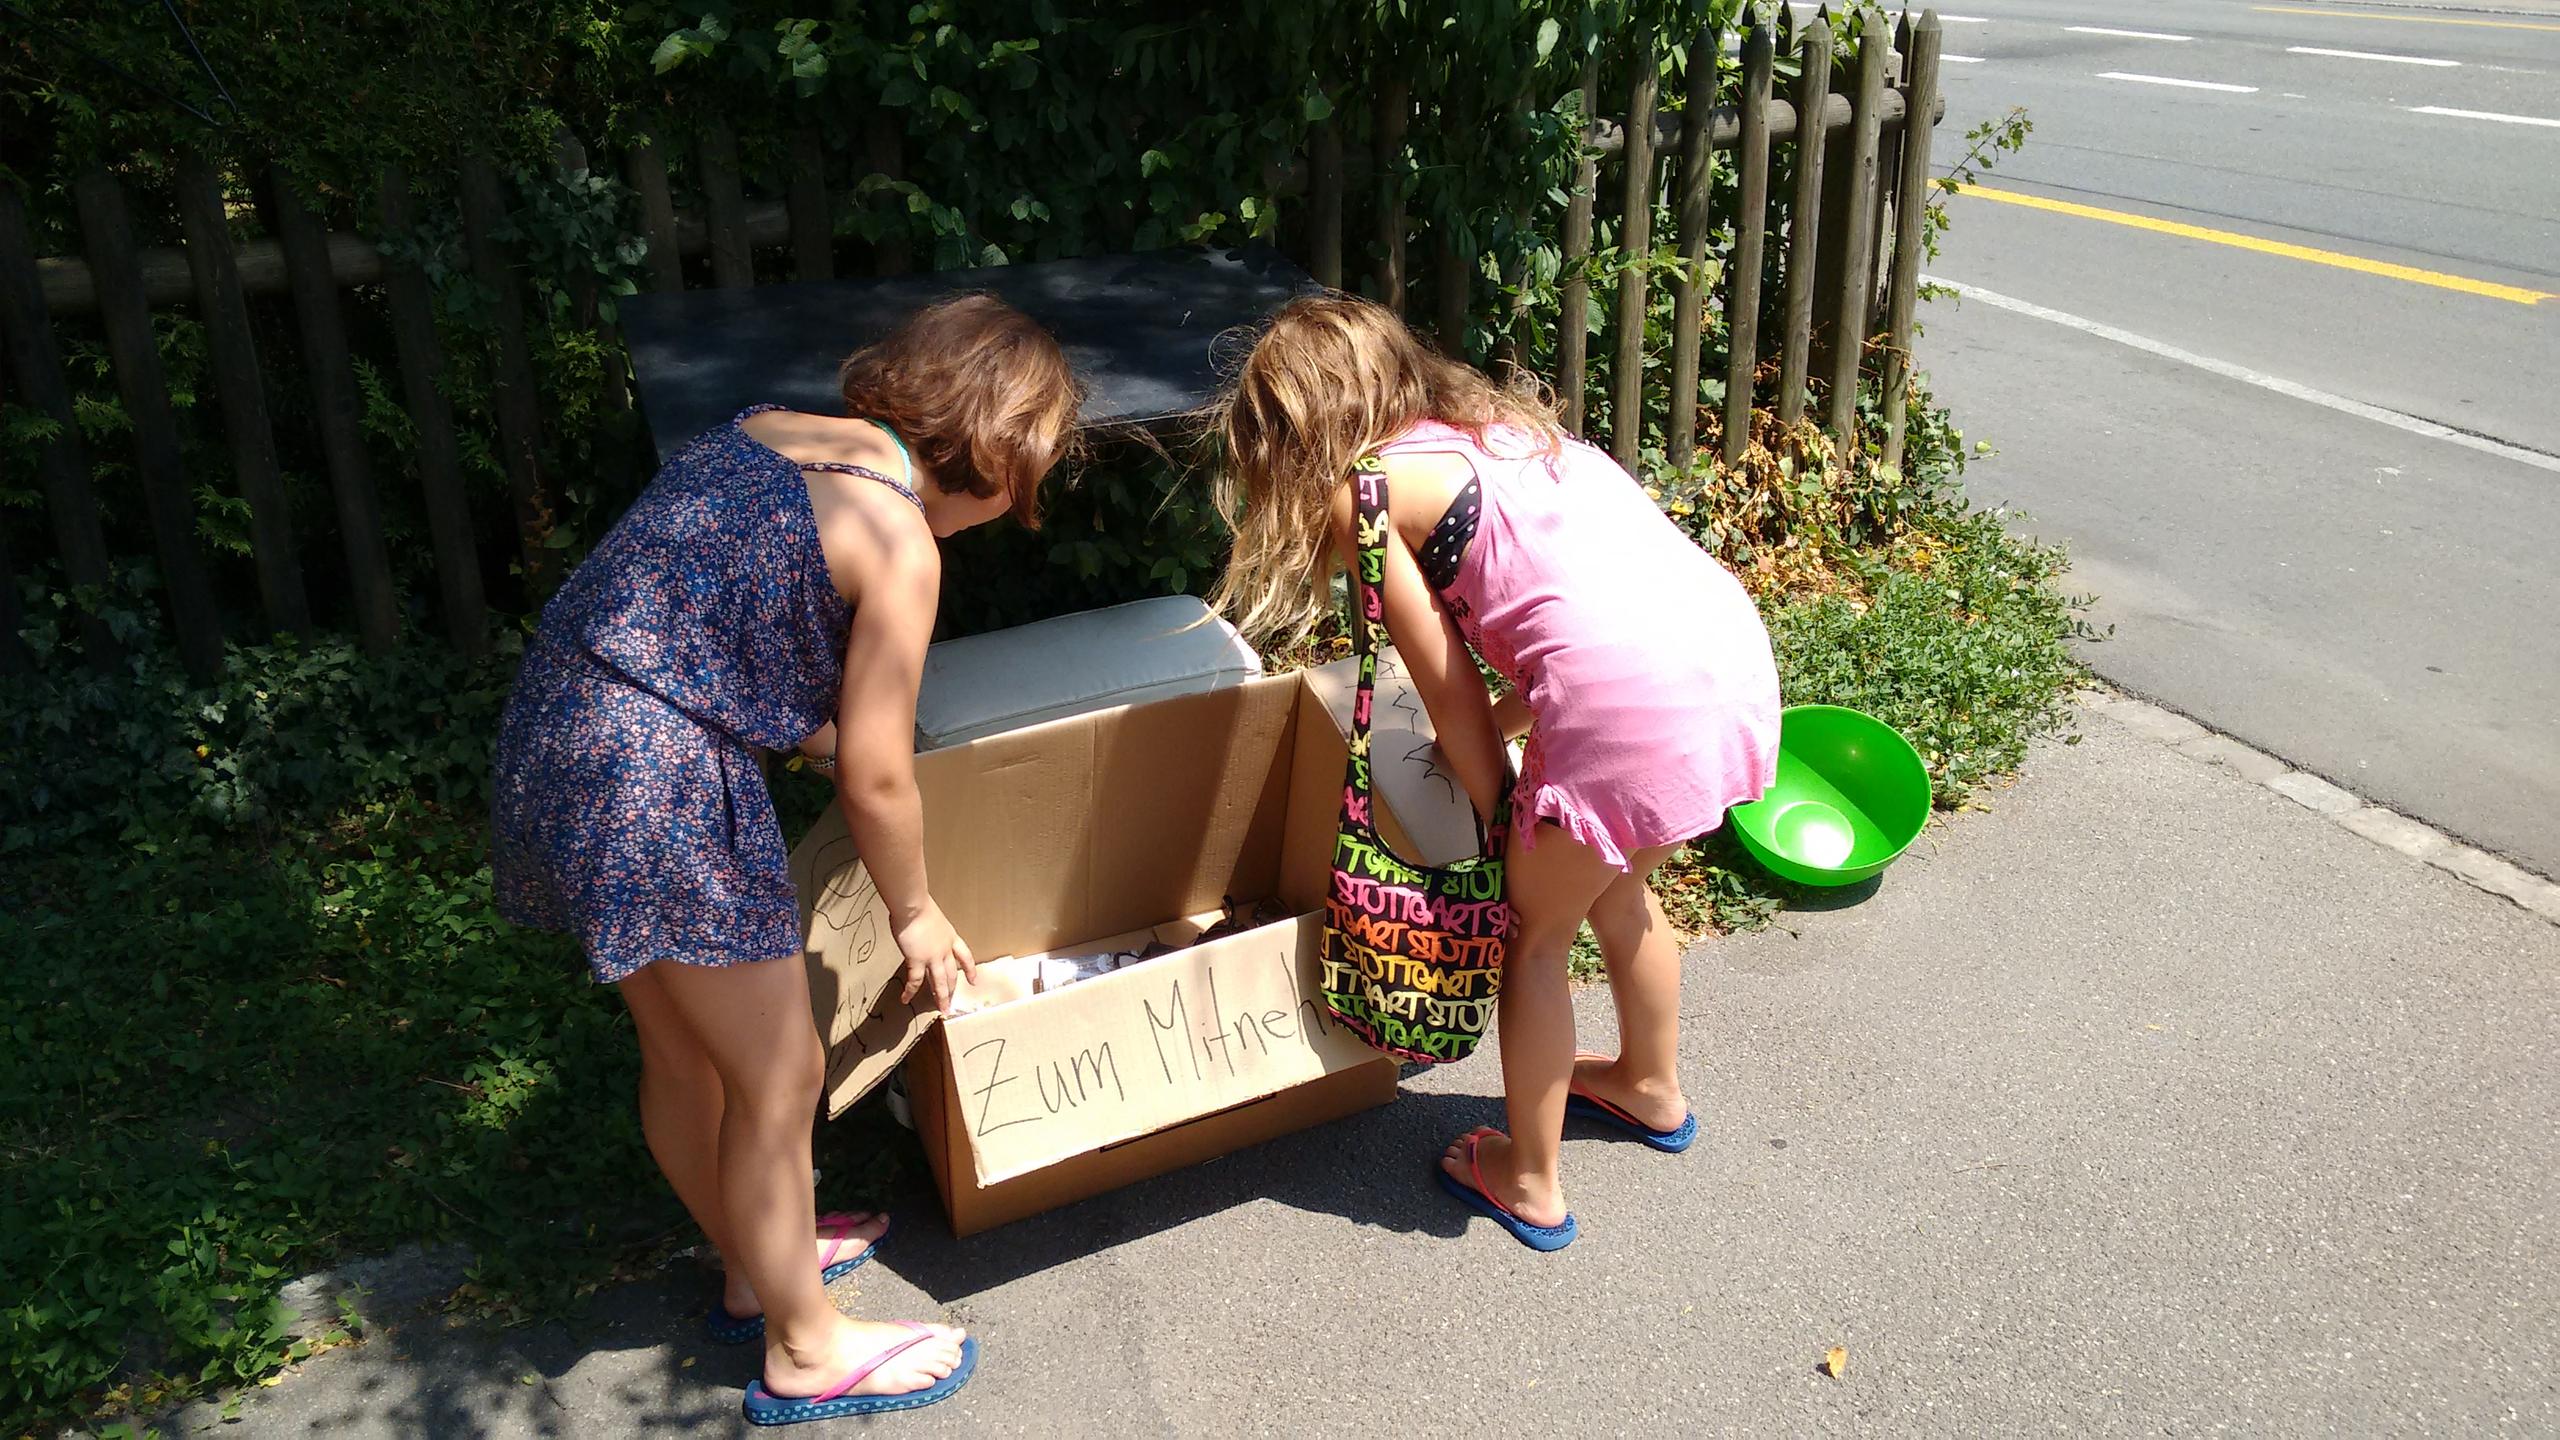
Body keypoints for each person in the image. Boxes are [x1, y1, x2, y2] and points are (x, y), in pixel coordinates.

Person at [491, 294, 1081, 1419]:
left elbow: (706, 634)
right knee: (780, 1074)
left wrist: (816, 730)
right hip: (654, 782)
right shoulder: (902, 539)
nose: (1014, 509)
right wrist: (914, 911)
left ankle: (757, 1264)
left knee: (686, 1056)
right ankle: (806, 1348)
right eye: (1027, 479)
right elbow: (876, 773)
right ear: (1004, 456)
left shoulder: (765, 429)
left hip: (559, 731)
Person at [1209, 293, 1779, 1251]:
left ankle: (1530, 1177)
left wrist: (1490, 803)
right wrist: (1527, 747)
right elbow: (1571, 614)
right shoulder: (1502, 433)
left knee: (1536, 936)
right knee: (1621, 887)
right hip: (1722, 670)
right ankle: (1646, 1084)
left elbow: (1451, 696)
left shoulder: (1370, 494)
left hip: (1630, 713)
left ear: (1296, 433)